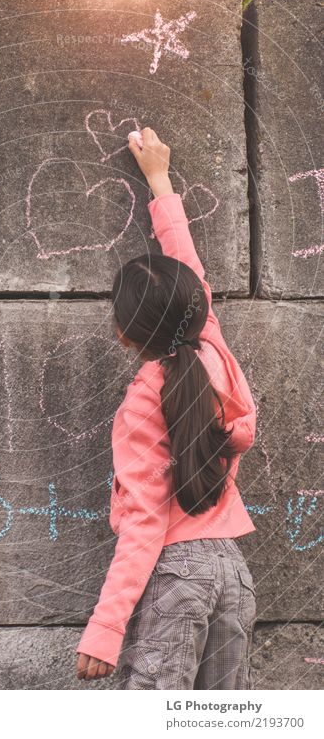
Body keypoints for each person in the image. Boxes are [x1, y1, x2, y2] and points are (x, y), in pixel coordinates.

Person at [76, 127, 258, 690]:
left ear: (125, 335)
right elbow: (187, 267)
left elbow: (145, 519)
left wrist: (106, 628)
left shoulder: (143, 402)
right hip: (233, 572)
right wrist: (160, 178)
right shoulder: (212, 349)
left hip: (176, 574)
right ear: (196, 307)